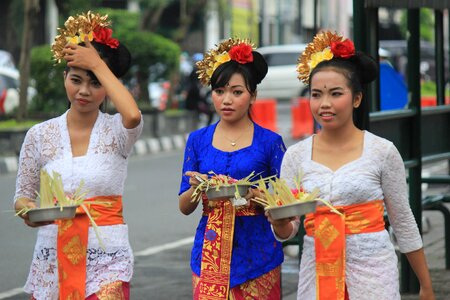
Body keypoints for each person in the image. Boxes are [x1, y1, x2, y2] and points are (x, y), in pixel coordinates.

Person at [267, 31, 435, 300]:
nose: (325, 104)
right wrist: (280, 224)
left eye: (336, 94)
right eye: (316, 94)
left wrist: (426, 286)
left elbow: (403, 221)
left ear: (356, 99)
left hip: (373, 275)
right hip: (317, 277)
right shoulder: (296, 156)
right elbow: (288, 231)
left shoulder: (382, 151)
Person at [13, 11, 142, 299]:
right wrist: (30, 213)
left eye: (96, 83)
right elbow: (22, 195)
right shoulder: (39, 135)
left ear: (108, 87)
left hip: (107, 259)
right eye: (76, 80)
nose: (84, 91)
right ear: (64, 78)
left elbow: (132, 114)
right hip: (53, 255)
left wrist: (96, 63)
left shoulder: (117, 131)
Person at [178, 38, 286, 299]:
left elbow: (286, 203)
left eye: (237, 92)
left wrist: (254, 195)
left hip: (258, 255)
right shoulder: (197, 140)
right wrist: (196, 187)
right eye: (219, 91)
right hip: (209, 253)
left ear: (253, 96)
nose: (226, 100)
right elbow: (184, 207)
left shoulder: (271, 143)